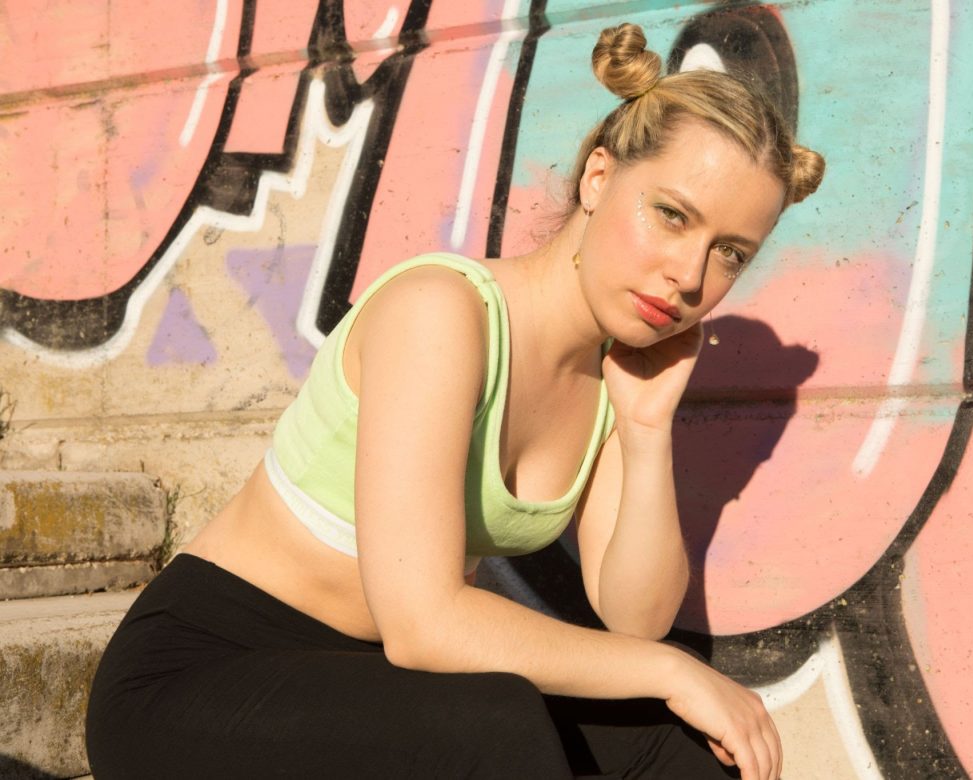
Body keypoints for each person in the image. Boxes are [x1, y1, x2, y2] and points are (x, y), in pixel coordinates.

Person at [86, 22, 824, 780]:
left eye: (729, 253)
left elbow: (635, 621)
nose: (689, 276)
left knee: (672, 746)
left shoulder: (613, 380)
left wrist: (645, 428)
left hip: (372, 689)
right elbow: (425, 624)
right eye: (672, 215)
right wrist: (676, 671)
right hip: (204, 678)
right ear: (599, 178)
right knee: (497, 727)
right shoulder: (442, 311)